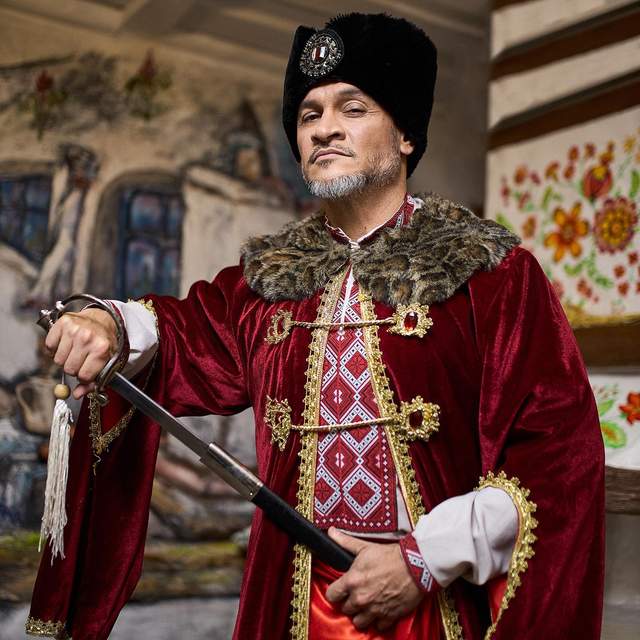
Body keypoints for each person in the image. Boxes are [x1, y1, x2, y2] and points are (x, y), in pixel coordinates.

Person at [27, 12, 605, 640]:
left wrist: (424, 558)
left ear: (405, 135)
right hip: (288, 603)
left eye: (352, 108)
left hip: (428, 608)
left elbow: (556, 455)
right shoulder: (267, 281)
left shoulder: (492, 275)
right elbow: (179, 331)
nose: (324, 128)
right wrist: (108, 325)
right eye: (308, 115)